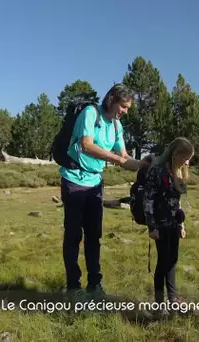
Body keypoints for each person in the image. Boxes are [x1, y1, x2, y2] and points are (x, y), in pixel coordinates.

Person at [60, 83, 152, 302]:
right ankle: (73, 287)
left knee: (94, 235)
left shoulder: (116, 126)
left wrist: (146, 164)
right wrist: (117, 159)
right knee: (73, 235)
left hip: (95, 183)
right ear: (111, 100)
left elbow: (125, 157)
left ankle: (95, 284)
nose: (125, 112)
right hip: (73, 180)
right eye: (123, 106)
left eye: (128, 108)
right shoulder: (90, 114)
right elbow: (86, 145)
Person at [142, 137, 194, 318]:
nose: (187, 162)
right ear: (175, 154)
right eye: (185, 157)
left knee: (172, 261)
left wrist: (181, 224)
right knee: (163, 263)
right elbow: (148, 200)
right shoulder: (157, 171)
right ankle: (159, 304)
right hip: (160, 224)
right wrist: (152, 226)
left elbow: (177, 202)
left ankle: (173, 301)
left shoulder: (179, 172)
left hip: (173, 224)